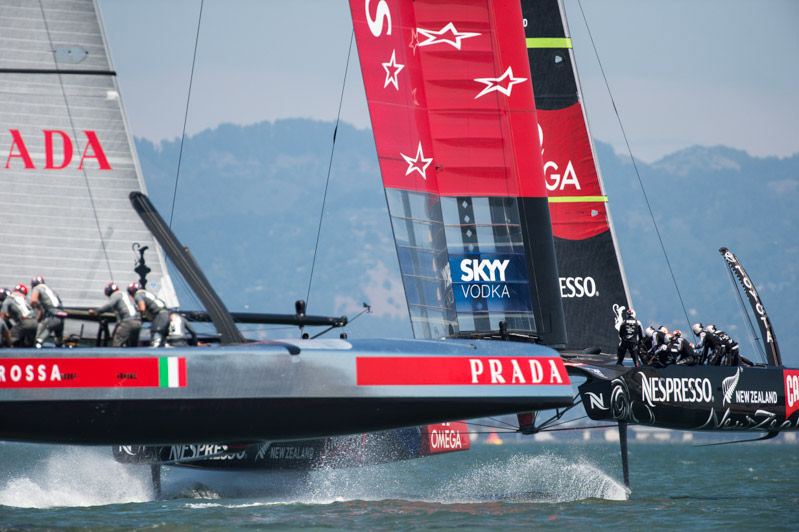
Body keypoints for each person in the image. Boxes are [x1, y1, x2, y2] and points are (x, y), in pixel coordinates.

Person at [89, 282, 142, 347]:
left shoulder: (116, 294)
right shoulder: (126, 296)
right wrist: (114, 333)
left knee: (117, 344)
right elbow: (119, 321)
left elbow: (108, 306)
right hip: (138, 322)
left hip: (128, 322)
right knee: (132, 346)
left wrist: (95, 312)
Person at [128, 282, 170, 347]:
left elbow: (142, 308)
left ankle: (156, 354)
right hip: (166, 314)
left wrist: (138, 316)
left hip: (159, 316)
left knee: (156, 338)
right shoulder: (146, 293)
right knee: (163, 339)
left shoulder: (138, 295)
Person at [29, 276, 65, 348]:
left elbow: (33, 301)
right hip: (61, 314)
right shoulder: (50, 290)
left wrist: (39, 308)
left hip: (52, 316)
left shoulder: (37, 288)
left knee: (38, 341)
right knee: (59, 342)